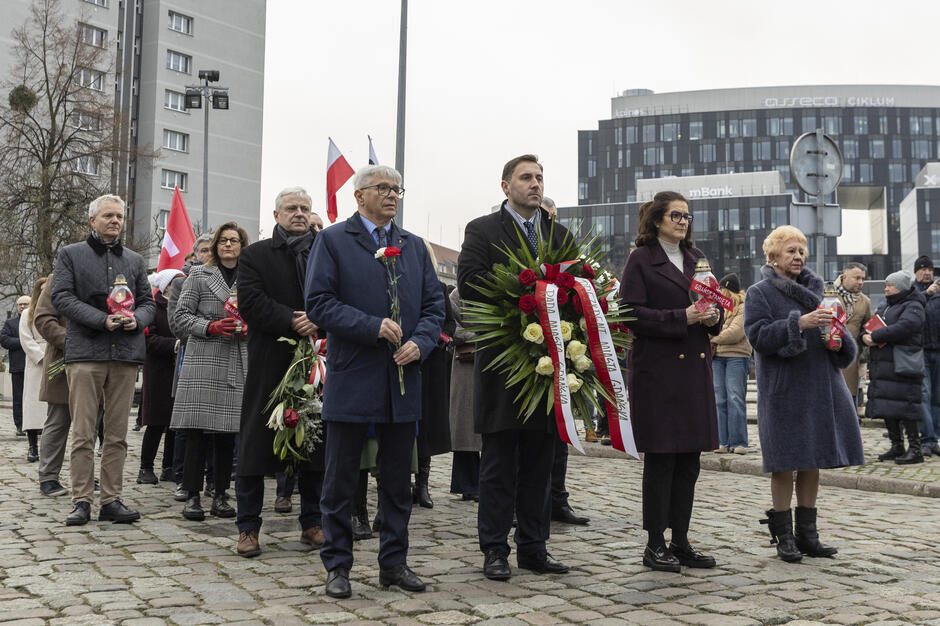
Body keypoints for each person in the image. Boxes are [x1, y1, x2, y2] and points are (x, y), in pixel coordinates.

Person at [306, 164, 444, 598]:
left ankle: (394, 563)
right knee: (341, 478)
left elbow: (434, 307)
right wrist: (371, 326)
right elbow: (319, 304)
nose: (391, 195)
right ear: (358, 195)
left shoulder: (414, 247)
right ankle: (338, 565)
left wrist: (421, 344)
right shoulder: (333, 241)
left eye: (396, 189)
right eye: (382, 188)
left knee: (397, 480)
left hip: (403, 380)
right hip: (353, 376)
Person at [457, 154, 573, 582]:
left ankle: (533, 546)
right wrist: (520, 291)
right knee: (500, 464)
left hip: (549, 366)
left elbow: (577, 289)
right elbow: (469, 282)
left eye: (540, 177)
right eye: (526, 178)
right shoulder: (482, 229)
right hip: (505, 362)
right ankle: (494, 549)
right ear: (506, 185)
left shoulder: (557, 233)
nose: (535, 184)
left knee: (541, 464)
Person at [744, 225, 864, 562]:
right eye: (790, 251)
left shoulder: (819, 292)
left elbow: (840, 338)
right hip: (784, 391)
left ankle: (808, 536)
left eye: (801, 251)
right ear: (773, 257)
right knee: (785, 463)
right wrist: (799, 324)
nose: (798, 257)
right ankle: (783, 536)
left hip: (821, 387)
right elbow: (758, 337)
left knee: (813, 461)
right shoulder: (759, 293)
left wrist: (836, 339)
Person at [619, 190, 721, 573]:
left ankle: (681, 540)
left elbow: (713, 309)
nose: (682, 221)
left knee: (689, 461)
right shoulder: (641, 259)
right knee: (661, 460)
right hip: (658, 372)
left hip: (693, 371)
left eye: (687, 216)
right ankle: (654, 543)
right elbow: (629, 313)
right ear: (657, 219)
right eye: (676, 215)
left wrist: (712, 319)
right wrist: (683, 318)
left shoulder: (698, 259)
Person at [51, 193, 155, 526]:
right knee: (82, 431)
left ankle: (111, 499)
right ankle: (81, 499)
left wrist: (137, 319)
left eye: (119, 217)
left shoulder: (136, 261)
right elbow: (62, 297)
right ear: (92, 220)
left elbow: (147, 303)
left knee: (117, 433)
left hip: (124, 355)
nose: (114, 221)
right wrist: (101, 319)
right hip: (86, 354)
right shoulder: (70, 255)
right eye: (108, 215)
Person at [235, 186, 327, 558]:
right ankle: (247, 528)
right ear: (276, 215)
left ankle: (312, 523)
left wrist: (317, 319)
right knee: (257, 442)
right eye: (292, 208)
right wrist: (292, 320)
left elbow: (340, 294)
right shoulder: (255, 255)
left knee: (315, 441)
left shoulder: (327, 249)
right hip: (270, 358)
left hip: (318, 358)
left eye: (305, 208)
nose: (300, 213)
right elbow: (251, 303)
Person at [170, 223, 250, 521]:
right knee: (196, 432)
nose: (228, 245)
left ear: (243, 245)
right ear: (215, 245)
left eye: (235, 240)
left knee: (226, 433)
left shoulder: (250, 277)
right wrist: (210, 326)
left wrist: (250, 328)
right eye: (223, 240)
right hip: (204, 358)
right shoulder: (199, 275)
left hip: (236, 357)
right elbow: (180, 318)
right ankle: (192, 495)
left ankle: (219, 494)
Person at [167, 233, 215, 502]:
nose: (208, 254)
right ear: (196, 254)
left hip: (222, 359)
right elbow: (177, 324)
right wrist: (207, 331)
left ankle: (212, 479)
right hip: (192, 358)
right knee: (188, 425)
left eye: (212, 249)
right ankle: (183, 479)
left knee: (215, 426)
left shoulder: (228, 283)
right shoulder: (181, 284)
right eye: (204, 250)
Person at [865, 270, 926, 464]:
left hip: (903, 365)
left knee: (907, 406)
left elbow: (906, 326)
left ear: (900, 287)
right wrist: (864, 336)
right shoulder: (885, 305)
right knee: (888, 405)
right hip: (885, 365)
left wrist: (875, 337)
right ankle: (896, 445)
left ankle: (915, 449)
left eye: (889, 285)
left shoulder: (914, 305)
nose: (886, 288)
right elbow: (870, 325)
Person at [415, 241, 455, 510]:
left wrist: (437, 338)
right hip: (405, 362)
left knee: (427, 428)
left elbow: (449, 322)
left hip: (432, 364)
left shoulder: (439, 288)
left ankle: (422, 485)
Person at [137, 269, 183, 485]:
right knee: (156, 421)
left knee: (175, 422)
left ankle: (169, 466)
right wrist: (174, 345)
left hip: (180, 371)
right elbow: (148, 339)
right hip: (158, 370)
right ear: (166, 287)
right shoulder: (153, 308)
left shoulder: (184, 306)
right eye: (177, 283)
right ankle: (145, 467)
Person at [34, 275, 71, 496]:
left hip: (95, 361)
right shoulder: (57, 279)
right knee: (57, 421)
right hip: (62, 360)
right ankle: (48, 476)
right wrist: (72, 342)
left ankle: (83, 474)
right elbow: (44, 321)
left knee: (90, 425)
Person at [710, 273, 751, 455]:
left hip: (737, 356)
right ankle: (723, 441)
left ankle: (739, 442)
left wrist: (714, 338)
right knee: (720, 400)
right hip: (718, 357)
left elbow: (735, 332)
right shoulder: (717, 307)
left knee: (735, 398)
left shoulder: (744, 307)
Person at [448, 288, 481, 502]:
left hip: (491, 362)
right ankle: (467, 484)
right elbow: (452, 328)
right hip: (466, 364)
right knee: (465, 427)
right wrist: (481, 337)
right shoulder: (456, 296)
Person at [834, 262, 872, 414]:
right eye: (857, 278)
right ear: (844, 277)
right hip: (827, 355)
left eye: (862, 278)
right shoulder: (826, 294)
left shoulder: (865, 301)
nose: (861, 282)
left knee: (849, 397)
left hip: (851, 359)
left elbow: (866, 328)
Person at [913, 256, 940, 457]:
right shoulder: (912, 292)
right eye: (923, 269)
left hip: (938, 350)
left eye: (930, 269)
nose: (927, 272)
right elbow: (908, 313)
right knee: (924, 395)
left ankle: (934, 439)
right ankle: (927, 439)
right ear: (915, 272)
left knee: (937, 397)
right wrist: (925, 294)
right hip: (919, 351)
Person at [19, 287, 46, 463]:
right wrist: (41, 356)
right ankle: (32, 446)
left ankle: (50, 447)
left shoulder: (56, 310)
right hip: (36, 362)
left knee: (53, 407)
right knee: (33, 405)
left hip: (57, 359)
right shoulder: (28, 313)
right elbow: (25, 338)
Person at [1, 296, 29, 436]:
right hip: (18, 365)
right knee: (18, 398)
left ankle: (35, 425)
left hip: (35, 365)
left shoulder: (36, 320)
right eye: (20, 304)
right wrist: (24, 342)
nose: (22, 306)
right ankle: (20, 425)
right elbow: (5, 340)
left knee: (34, 398)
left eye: (26, 304)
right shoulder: (10, 323)